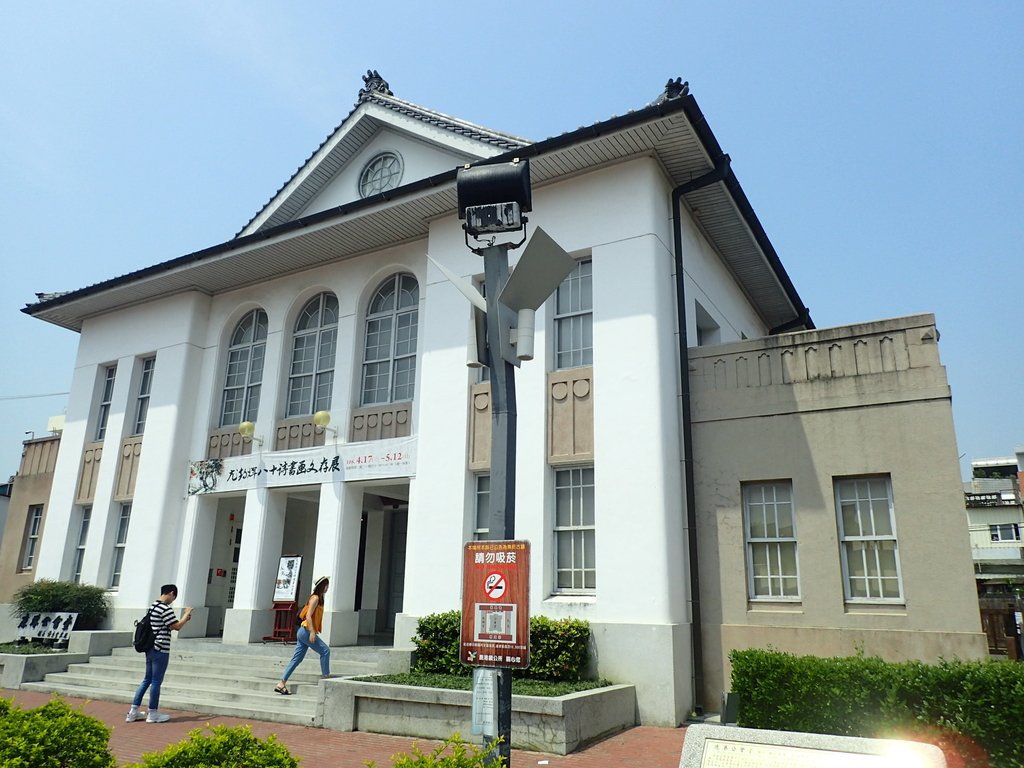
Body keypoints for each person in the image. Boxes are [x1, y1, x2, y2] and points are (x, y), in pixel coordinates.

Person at [126, 584, 192, 723]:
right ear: (171, 593)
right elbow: (176, 627)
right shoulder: (165, 608)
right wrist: (186, 615)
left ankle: (133, 711)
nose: (173, 600)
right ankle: (153, 713)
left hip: (150, 647)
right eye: (173, 597)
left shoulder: (153, 606)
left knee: (147, 680)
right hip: (161, 648)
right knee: (156, 681)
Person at [275, 575, 331, 694]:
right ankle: (326, 678)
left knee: (297, 658)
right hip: (305, 630)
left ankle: (281, 683)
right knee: (325, 651)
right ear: (322, 586)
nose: (327, 587)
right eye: (326, 585)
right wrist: (312, 632)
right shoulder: (315, 598)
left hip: (302, 631)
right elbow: (308, 616)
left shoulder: (317, 598)